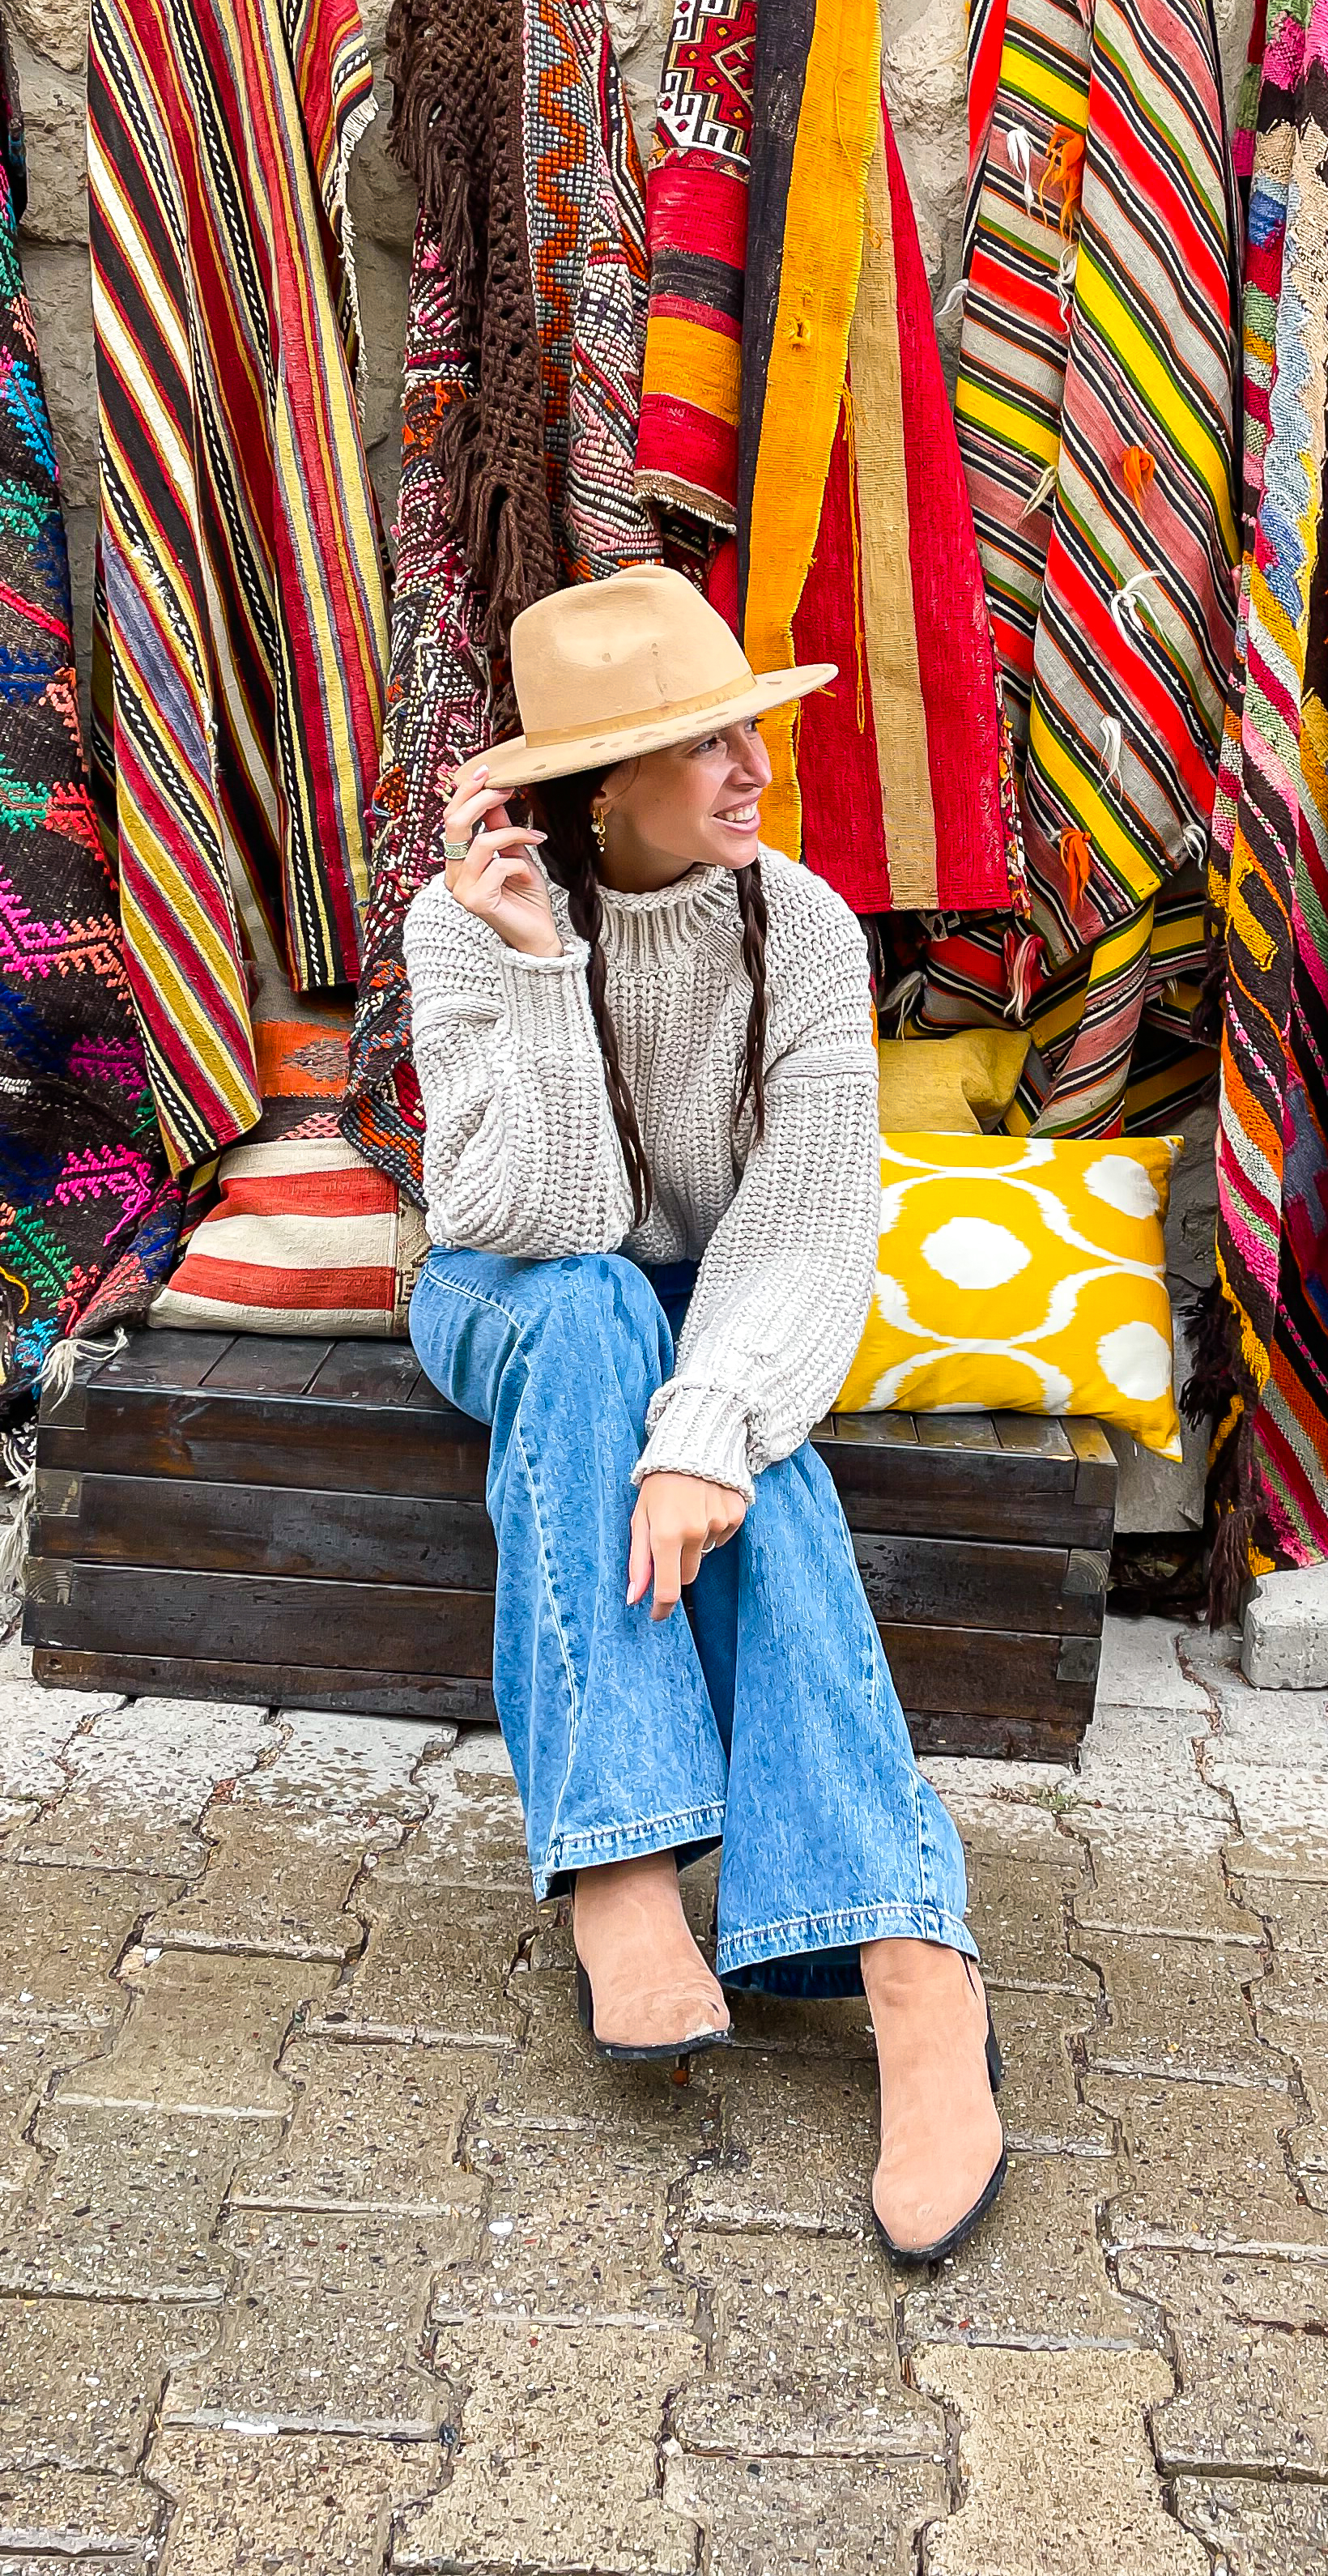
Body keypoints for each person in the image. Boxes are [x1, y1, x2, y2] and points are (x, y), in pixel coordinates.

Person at [402, 566, 1006, 2263]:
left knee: (763, 1471)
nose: (756, 768)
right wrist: (539, 968)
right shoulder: (465, 923)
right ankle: (632, 1869)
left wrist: (704, 1431)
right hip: (507, 1285)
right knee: (596, 1308)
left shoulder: (799, 927)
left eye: (751, 730)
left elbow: (806, 1224)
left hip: (703, 1299)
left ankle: (909, 1961)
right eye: (707, 744)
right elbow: (536, 1218)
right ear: (602, 786)